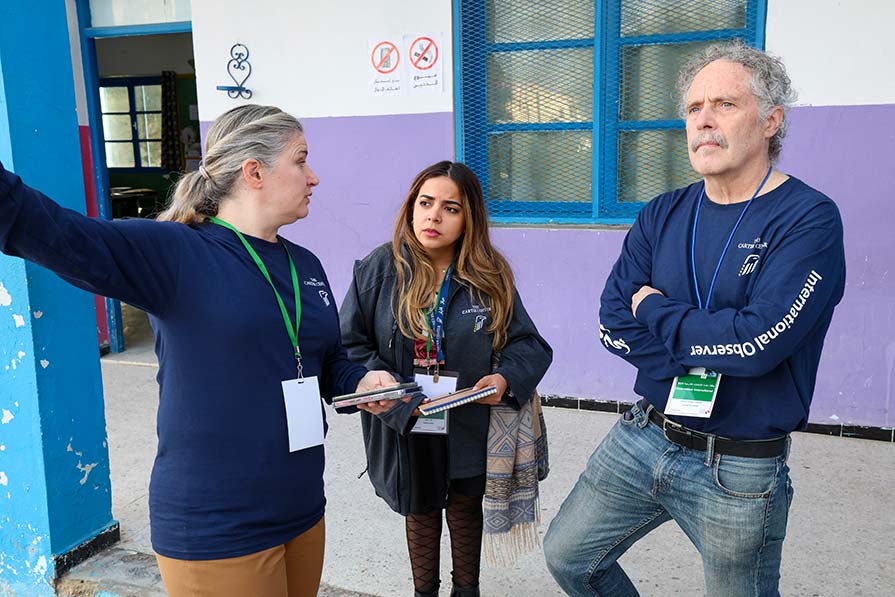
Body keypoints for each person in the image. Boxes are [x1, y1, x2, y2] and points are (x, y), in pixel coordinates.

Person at [0, 104, 394, 597]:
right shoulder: (177, 252)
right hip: (218, 528)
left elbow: (325, 358)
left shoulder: (305, 264)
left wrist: (360, 382)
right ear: (255, 172)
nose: (313, 177)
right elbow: (53, 231)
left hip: (301, 511)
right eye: (301, 160)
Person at [543, 41, 845, 596]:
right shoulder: (662, 212)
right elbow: (612, 320)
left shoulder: (808, 219)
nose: (704, 120)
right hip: (646, 433)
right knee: (568, 557)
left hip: (739, 468)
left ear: (771, 120)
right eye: (693, 108)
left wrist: (655, 309)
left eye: (725, 105)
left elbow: (758, 345)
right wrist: (715, 342)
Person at [340, 161, 552, 596]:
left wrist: (505, 379)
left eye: (450, 208)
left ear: (468, 217)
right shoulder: (379, 269)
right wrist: (380, 386)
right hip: (406, 420)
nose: (433, 216)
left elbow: (528, 344)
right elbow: (349, 346)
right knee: (419, 508)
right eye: (425, 203)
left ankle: (466, 590)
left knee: (464, 506)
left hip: (468, 422)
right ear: (411, 207)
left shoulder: (489, 276)